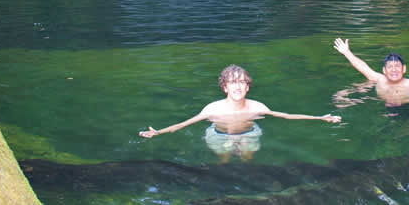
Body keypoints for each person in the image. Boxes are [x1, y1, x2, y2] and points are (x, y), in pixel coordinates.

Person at [139, 64, 341, 162]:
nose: (237, 87)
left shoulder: (257, 107)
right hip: (219, 135)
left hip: (249, 134)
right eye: (232, 83)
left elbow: (286, 116)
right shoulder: (212, 109)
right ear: (225, 87)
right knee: (224, 161)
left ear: (248, 87)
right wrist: (159, 132)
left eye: (242, 82)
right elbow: (182, 125)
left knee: (248, 161)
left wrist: (320, 118)